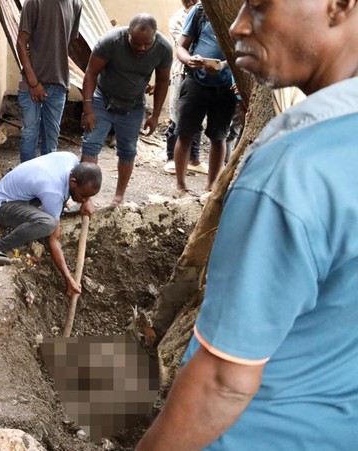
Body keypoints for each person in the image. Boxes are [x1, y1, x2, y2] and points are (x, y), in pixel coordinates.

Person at [138, 0, 358, 449]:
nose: (237, 26)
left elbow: (223, 382)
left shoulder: (293, 169)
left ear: (339, 6)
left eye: (259, 6)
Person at [81, 14, 172, 205]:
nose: (141, 48)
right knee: (91, 144)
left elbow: (163, 81)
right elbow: (91, 73)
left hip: (133, 105)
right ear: (128, 33)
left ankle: (119, 196)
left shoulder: (163, 48)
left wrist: (155, 115)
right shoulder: (111, 41)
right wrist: (88, 109)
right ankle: (85, 198)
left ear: (155, 35)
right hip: (103, 99)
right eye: (136, 43)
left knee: (128, 151)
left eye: (147, 44)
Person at [0, 153, 101, 295]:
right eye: (84, 195)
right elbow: (53, 239)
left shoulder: (71, 159)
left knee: (50, 217)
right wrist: (68, 279)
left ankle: (2, 217)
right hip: (0, 205)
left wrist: (87, 200)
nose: (85, 200)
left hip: (13, 194)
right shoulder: (53, 191)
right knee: (48, 224)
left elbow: (77, 189)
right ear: (73, 182)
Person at [171, 2, 236, 195]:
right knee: (185, 133)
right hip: (196, 82)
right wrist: (188, 59)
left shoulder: (240, 13)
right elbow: (181, 47)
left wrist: (223, 65)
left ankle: (211, 186)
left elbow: (246, 50)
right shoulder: (200, 11)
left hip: (225, 88)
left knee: (219, 136)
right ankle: (180, 186)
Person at [16, 0, 82, 162]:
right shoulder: (34, 3)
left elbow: (64, 43)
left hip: (59, 84)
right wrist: (33, 82)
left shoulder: (76, 4)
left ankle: (47, 175)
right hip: (31, 83)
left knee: (51, 138)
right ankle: (27, 175)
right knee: (30, 133)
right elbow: (21, 42)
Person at [164, 0, 205, 176]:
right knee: (177, 115)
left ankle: (194, 159)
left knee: (197, 117)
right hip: (182, 71)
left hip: (202, 73)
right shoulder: (178, 19)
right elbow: (188, 44)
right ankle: (171, 158)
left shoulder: (205, 14)